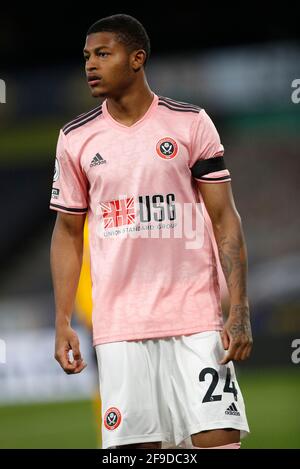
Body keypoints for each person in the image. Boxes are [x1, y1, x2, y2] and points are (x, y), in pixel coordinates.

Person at [50, 13, 253, 450]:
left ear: (137, 58)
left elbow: (225, 218)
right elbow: (67, 231)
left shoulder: (190, 124)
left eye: (103, 54)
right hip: (120, 325)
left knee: (218, 440)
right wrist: (63, 319)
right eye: (87, 56)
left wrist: (239, 306)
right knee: (137, 452)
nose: (90, 65)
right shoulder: (75, 139)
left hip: (195, 316)